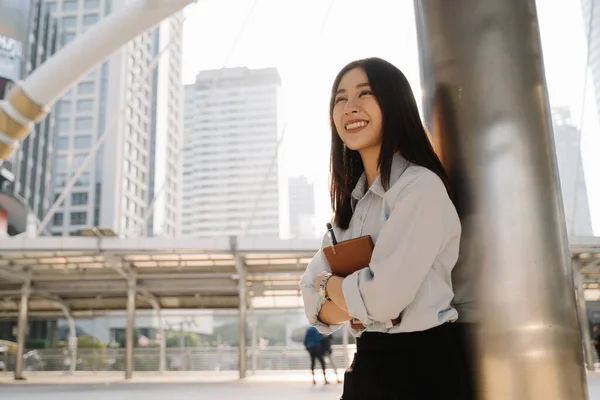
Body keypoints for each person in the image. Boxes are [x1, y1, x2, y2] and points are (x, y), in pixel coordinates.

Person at [300, 57, 471, 399]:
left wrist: (328, 284)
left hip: (422, 370)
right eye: (340, 99)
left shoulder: (419, 188)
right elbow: (312, 305)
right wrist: (356, 297)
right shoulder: (349, 209)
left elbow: (382, 301)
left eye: (365, 94)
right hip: (368, 365)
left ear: (394, 103)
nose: (350, 107)